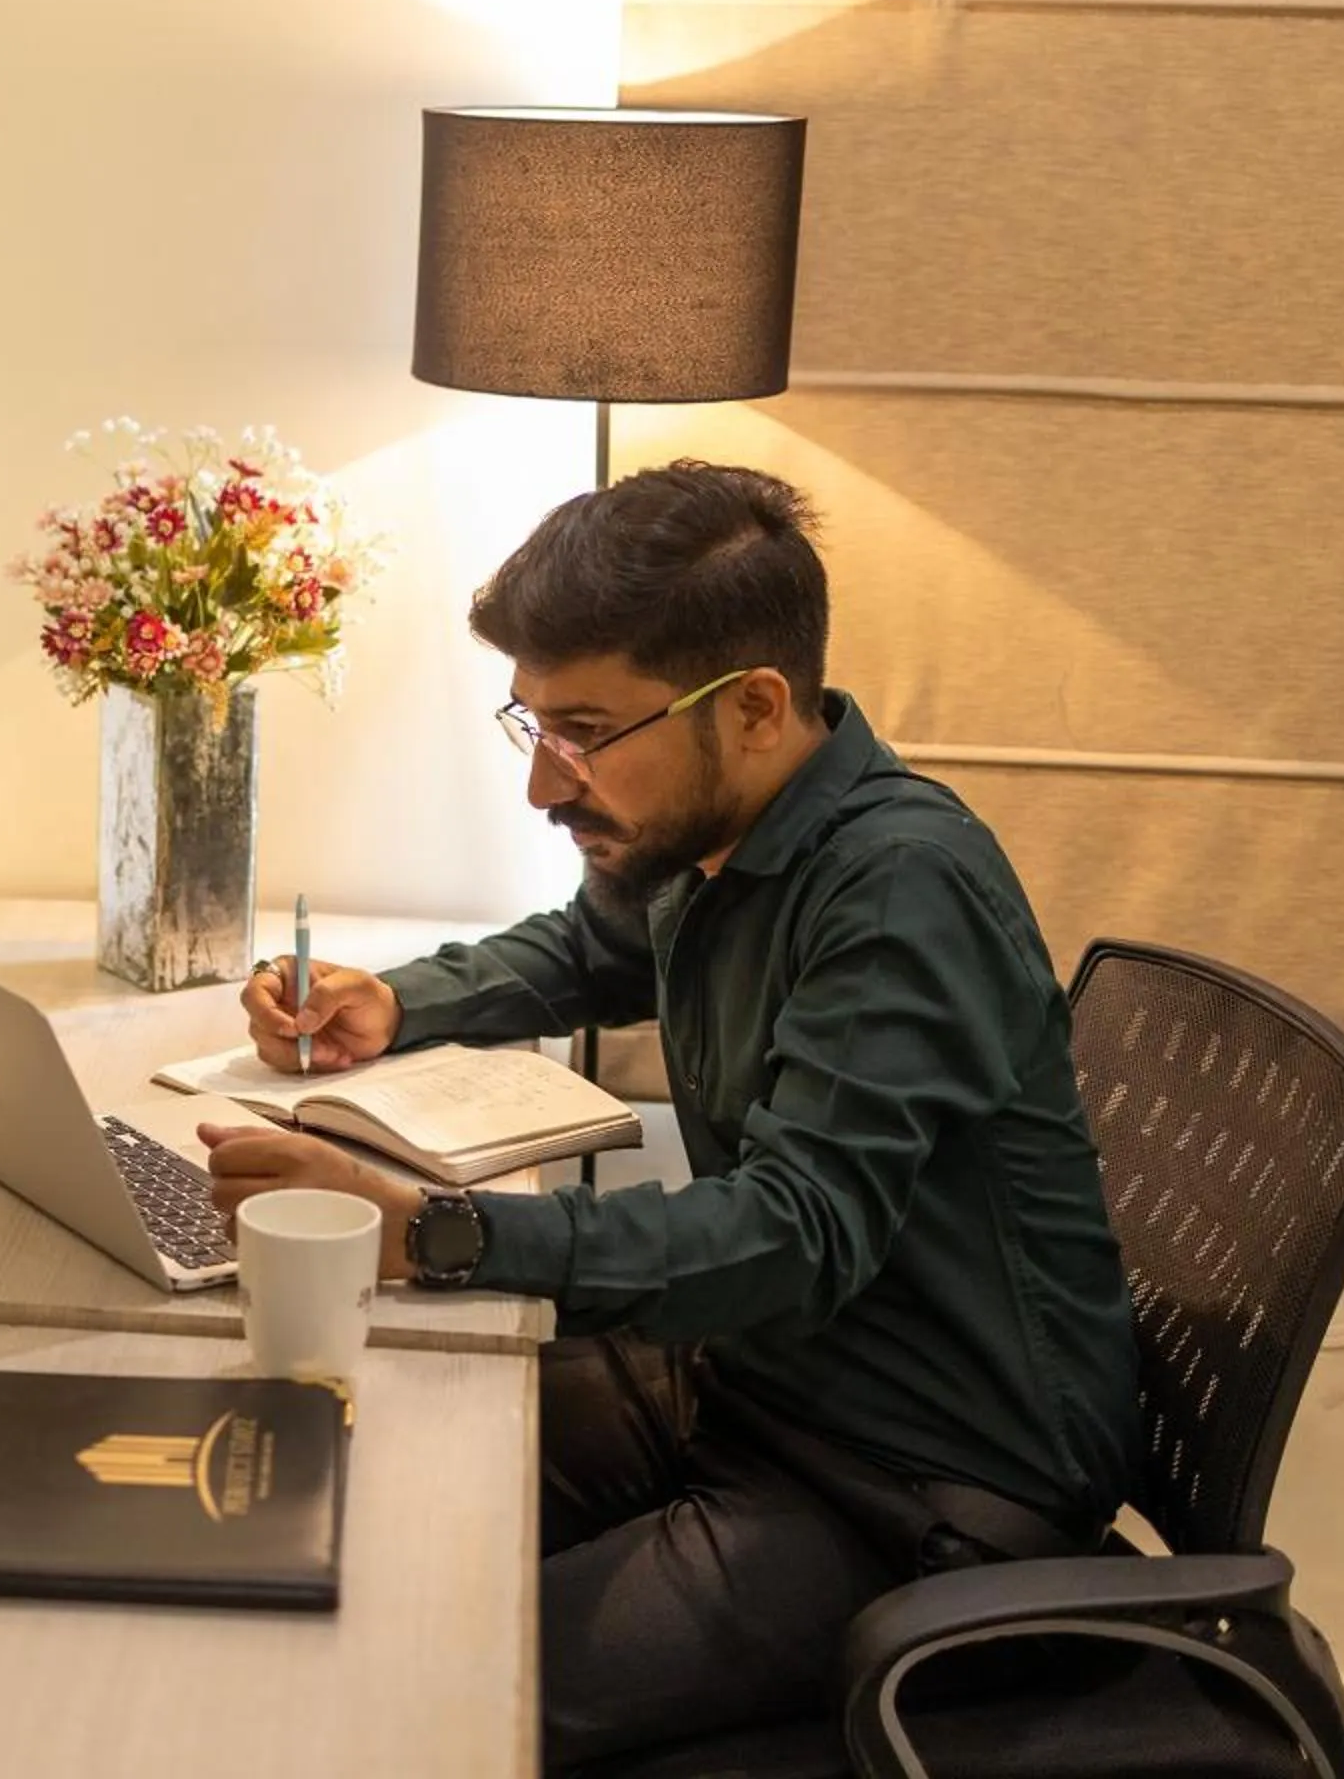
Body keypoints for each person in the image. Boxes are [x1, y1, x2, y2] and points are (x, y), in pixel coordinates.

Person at [201, 462, 1139, 1769]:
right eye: (529, 727)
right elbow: (590, 951)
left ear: (754, 707)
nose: (546, 786)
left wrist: (441, 1233)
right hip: (756, 1385)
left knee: (420, 1689)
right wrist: (394, 1003)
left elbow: (797, 1235)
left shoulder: (896, 890)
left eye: (583, 734)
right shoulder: (718, 836)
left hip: (912, 1487)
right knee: (355, 1474)